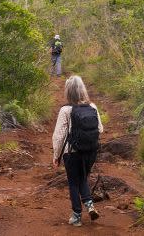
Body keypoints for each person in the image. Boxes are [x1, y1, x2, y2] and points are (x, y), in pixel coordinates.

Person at [52, 75, 103, 226]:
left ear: (68, 91)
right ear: (82, 90)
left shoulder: (66, 110)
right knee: (83, 178)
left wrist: (56, 156)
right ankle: (90, 205)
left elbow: (59, 136)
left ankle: (76, 216)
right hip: (90, 152)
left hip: (72, 152)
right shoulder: (92, 107)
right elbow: (100, 128)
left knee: (74, 182)